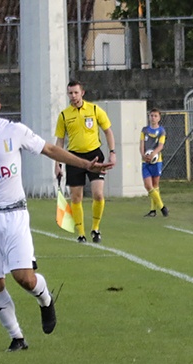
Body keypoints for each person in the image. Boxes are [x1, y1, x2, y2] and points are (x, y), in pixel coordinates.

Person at [0, 81, 108, 351]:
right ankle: (17, 337)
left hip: (15, 213)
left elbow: (50, 150)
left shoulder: (15, 131)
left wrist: (86, 164)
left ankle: (45, 299)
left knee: (24, 277)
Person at [53, 80, 116, 243]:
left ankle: (95, 228)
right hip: (73, 157)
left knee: (98, 194)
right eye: (70, 93)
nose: (73, 96)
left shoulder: (94, 110)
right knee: (76, 197)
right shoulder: (64, 115)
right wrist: (57, 163)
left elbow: (108, 131)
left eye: (76, 92)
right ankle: (81, 233)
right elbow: (59, 141)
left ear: (82, 92)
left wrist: (112, 152)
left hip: (95, 155)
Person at [140, 108, 169, 218]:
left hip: (157, 161)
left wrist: (153, 154)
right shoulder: (144, 130)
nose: (153, 118)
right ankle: (162, 207)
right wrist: (143, 155)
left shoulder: (161, 131)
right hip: (145, 161)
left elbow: (161, 145)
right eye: (151, 115)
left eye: (155, 116)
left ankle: (153, 210)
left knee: (155, 185)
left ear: (159, 118)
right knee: (148, 186)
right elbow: (141, 144)